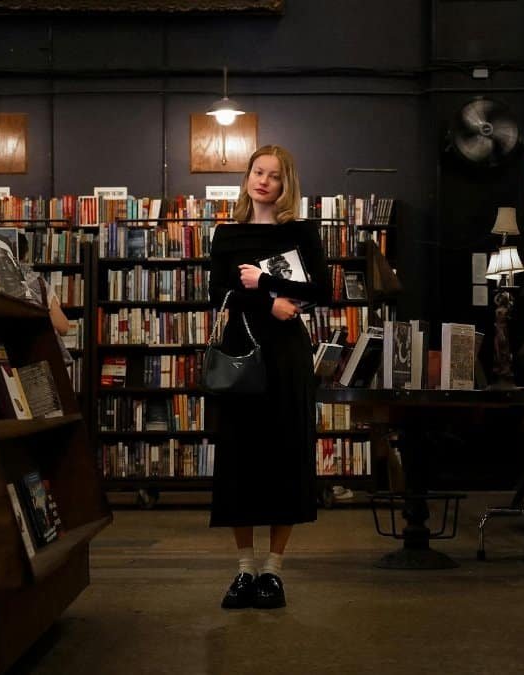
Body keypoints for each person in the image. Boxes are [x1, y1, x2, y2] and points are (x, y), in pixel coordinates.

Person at [207, 144, 330, 610]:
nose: (263, 181)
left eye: (274, 176)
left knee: (285, 454)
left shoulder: (301, 231)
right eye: (257, 172)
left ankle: (273, 572)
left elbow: (322, 289)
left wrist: (266, 281)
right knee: (239, 458)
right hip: (241, 351)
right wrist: (266, 300)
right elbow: (218, 293)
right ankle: (243, 570)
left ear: (285, 184)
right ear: (247, 177)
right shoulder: (227, 234)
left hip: (286, 356)